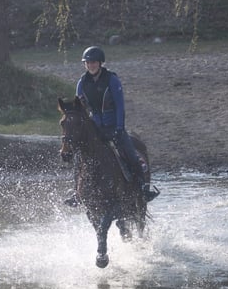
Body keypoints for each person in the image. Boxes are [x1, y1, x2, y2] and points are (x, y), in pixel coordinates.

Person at [64, 45, 159, 205]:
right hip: (95, 130)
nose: (91, 65)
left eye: (93, 62)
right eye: (87, 62)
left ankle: (143, 188)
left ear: (100, 63)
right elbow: (80, 109)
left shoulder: (112, 80)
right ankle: (77, 193)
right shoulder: (82, 83)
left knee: (132, 156)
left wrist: (119, 128)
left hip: (114, 127)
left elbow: (120, 106)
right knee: (79, 158)